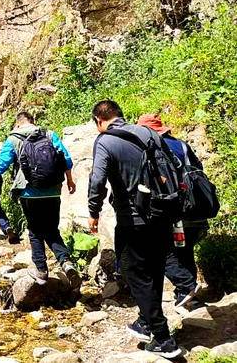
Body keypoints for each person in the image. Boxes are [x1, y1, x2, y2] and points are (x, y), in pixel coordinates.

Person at [88, 101, 180, 358]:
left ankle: (163, 339)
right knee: (155, 270)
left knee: (135, 273)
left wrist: (93, 212)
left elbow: (97, 178)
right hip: (163, 214)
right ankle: (144, 321)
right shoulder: (148, 133)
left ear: (99, 120)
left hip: (133, 220)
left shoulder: (106, 140)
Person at [0, 112, 79, 286]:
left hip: (29, 192)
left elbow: (0, 166)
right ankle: (66, 262)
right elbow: (66, 160)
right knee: (52, 230)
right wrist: (69, 180)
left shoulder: (13, 138)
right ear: (33, 122)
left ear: (17, 124)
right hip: (53, 190)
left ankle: (40, 269)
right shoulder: (49, 134)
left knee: (35, 231)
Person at [137, 113, 208, 312]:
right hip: (194, 207)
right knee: (185, 250)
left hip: (173, 208)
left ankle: (186, 286)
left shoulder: (154, 148)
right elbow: (198, 169)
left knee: (162, 249)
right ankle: (187, 297)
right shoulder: (183, 145)